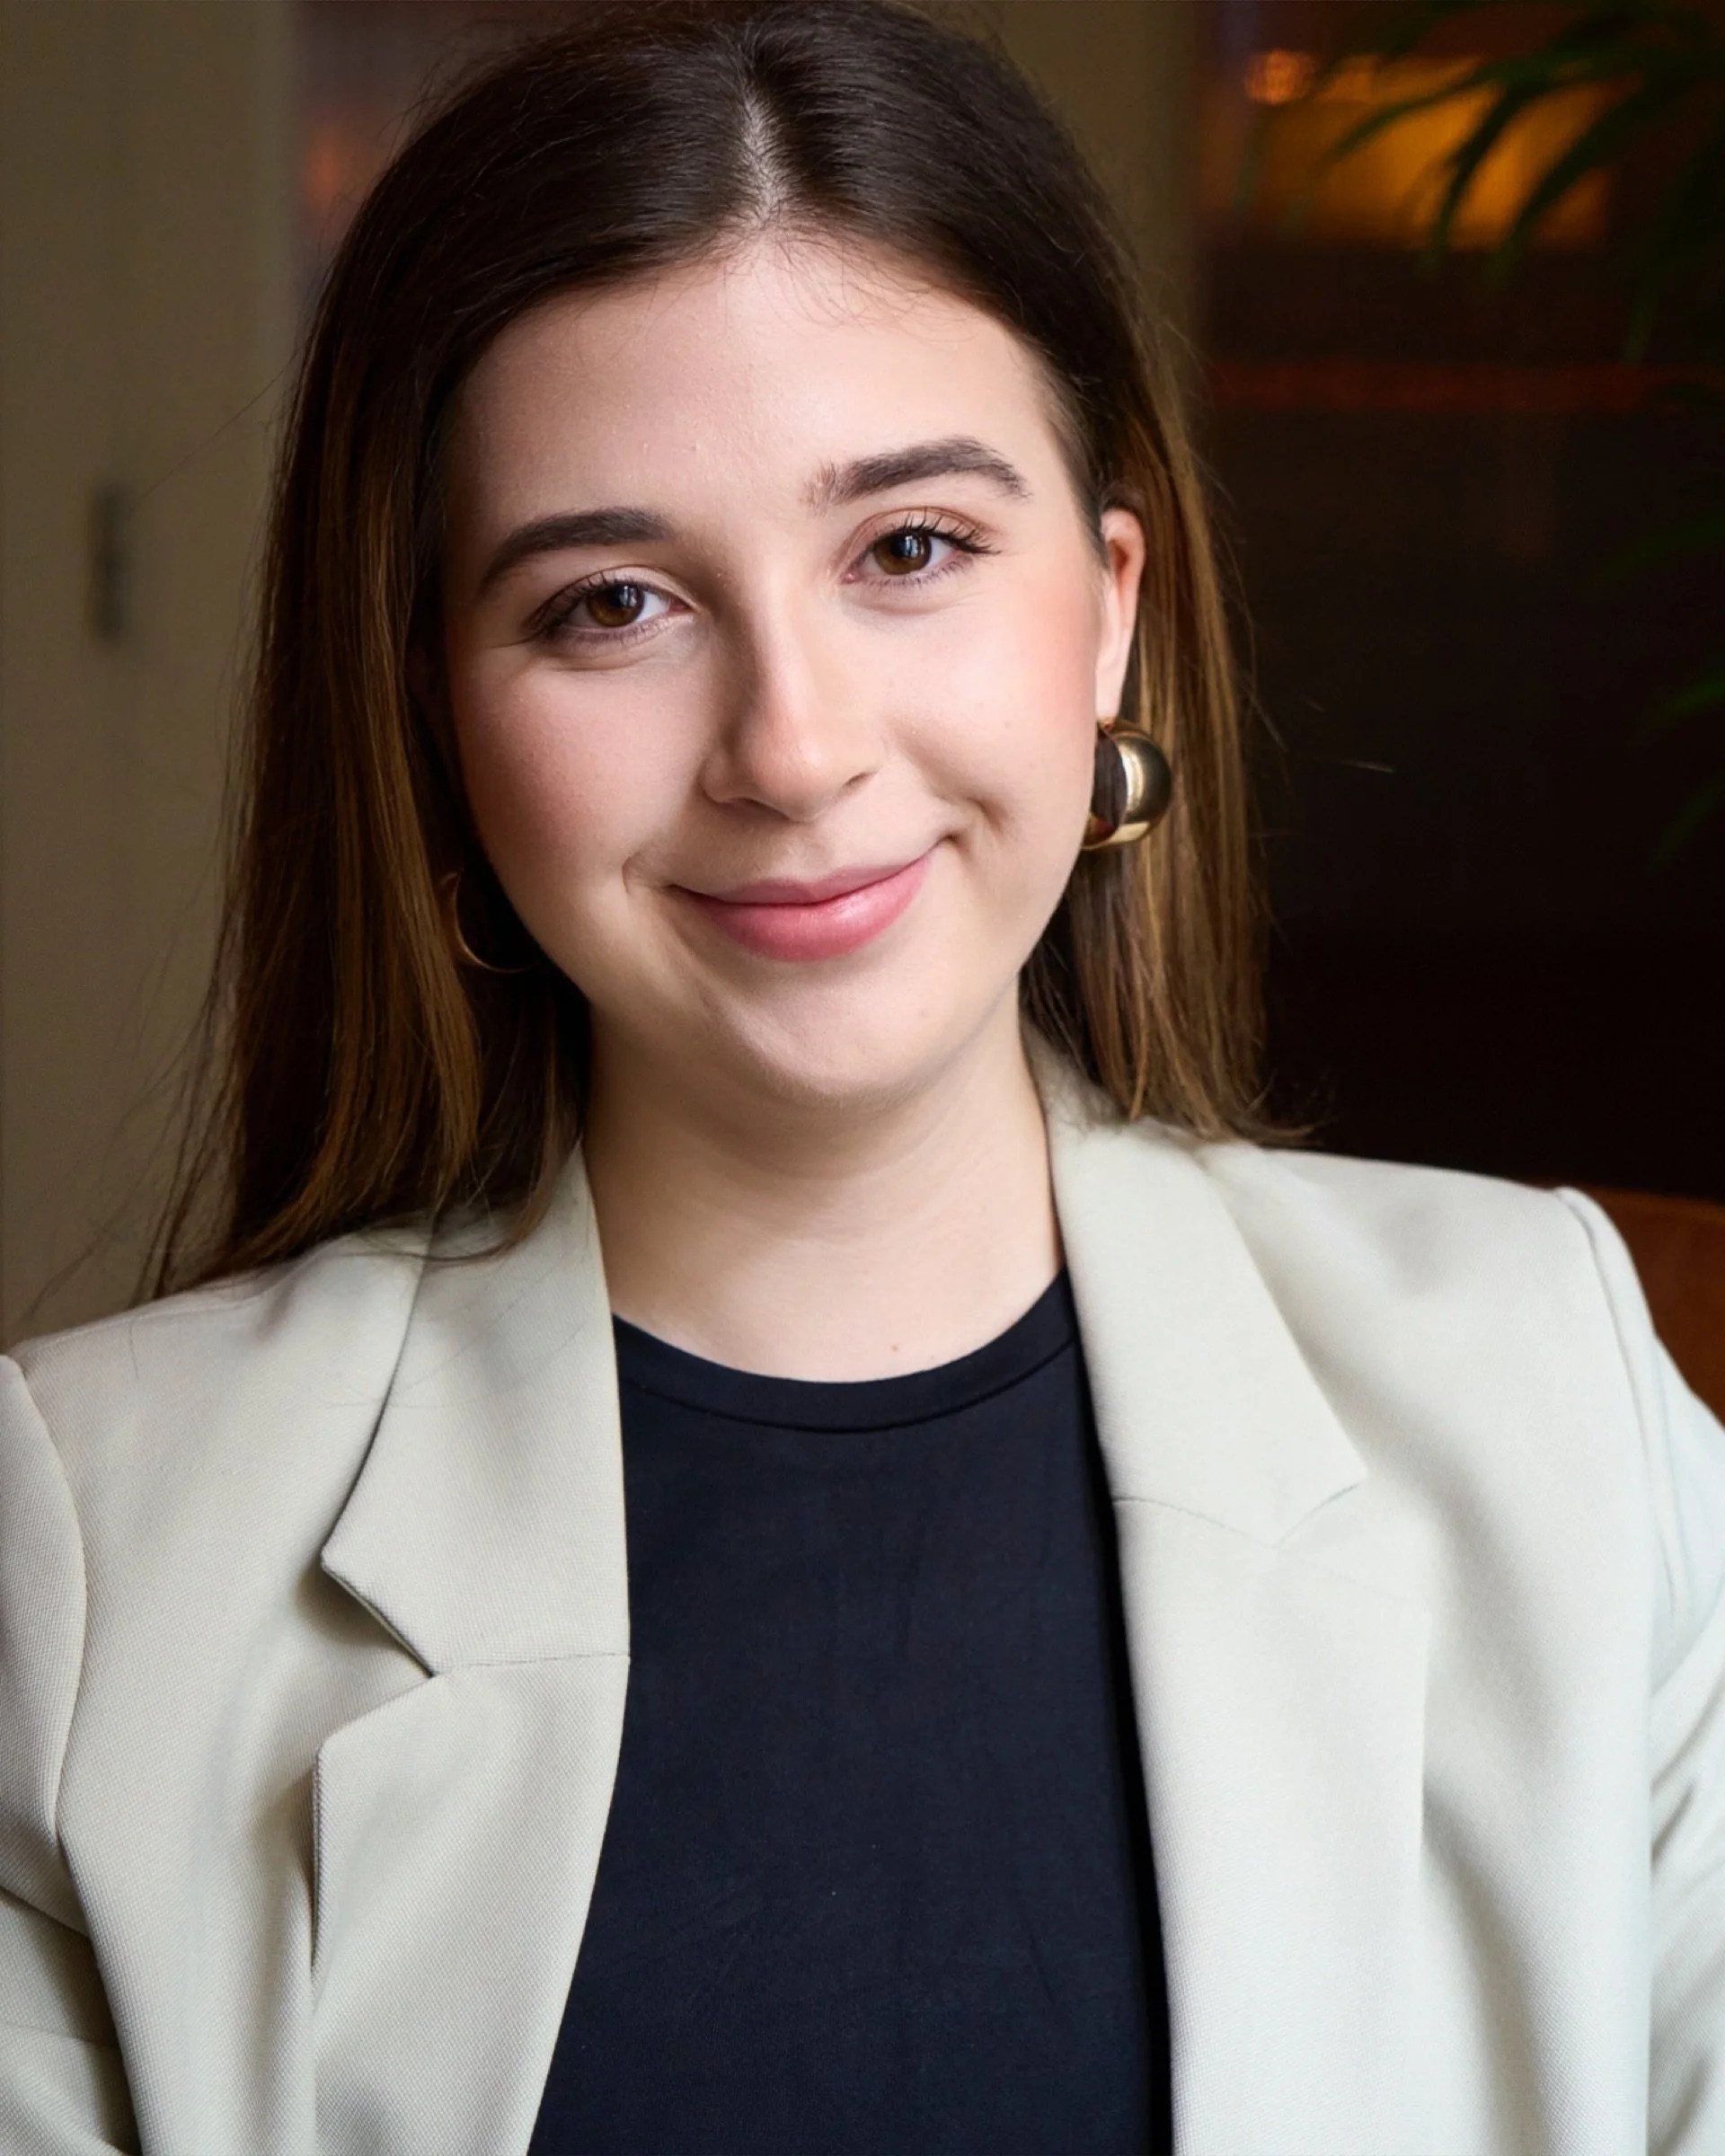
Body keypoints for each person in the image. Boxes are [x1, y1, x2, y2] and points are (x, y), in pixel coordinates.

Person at [2, 1, 1721, 2149]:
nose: (794, 749)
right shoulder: (95, 1555)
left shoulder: (1558, 1411)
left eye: (910, 549)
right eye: (612, 603)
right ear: (433, 712)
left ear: (1107, 609)